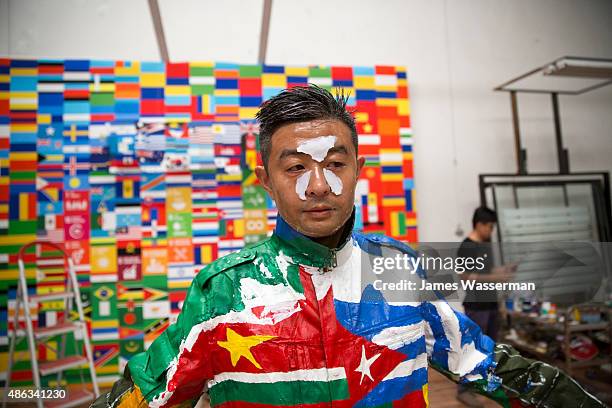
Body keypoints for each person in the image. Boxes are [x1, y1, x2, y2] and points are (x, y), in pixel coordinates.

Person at [92, 85, 605, 408]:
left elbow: (489, 366)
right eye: (296, 167)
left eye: (335, 163)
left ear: (358, 170)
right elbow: (146, 392)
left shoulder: (400, 271)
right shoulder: (223, 292)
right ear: (265, 181)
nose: (319, 186)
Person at [456, 207, 516, 407]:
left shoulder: (486, 246)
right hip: (476, 306)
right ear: (479, 224)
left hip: (490, 304)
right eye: (489, 227)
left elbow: (488, 273)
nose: (491, 231)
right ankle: (464, 390)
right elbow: (466, 277)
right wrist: (496, 276)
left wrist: (503, 271)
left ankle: (487, 385)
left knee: (490, 348)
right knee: (473, 349)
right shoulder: (467, 247)